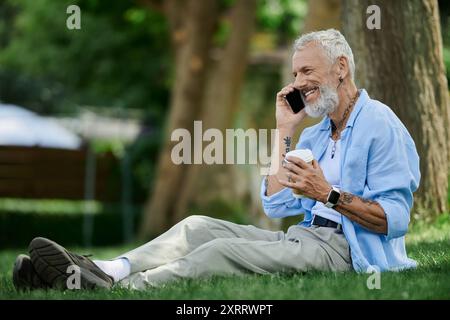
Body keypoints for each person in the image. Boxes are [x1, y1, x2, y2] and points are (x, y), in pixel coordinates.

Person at [13, 29, 420, 291]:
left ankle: (122, 288)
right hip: (304, 238)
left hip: (347, 253)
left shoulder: (379, 123)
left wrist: (326, 194)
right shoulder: (313, 133)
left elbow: (394, 218)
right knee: (197, 227)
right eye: (294, 74)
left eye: (306, 71)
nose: (296, 83)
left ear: (341, 68)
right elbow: (276, 204)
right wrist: (282, 131)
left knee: (219, 251)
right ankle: (107, 269)